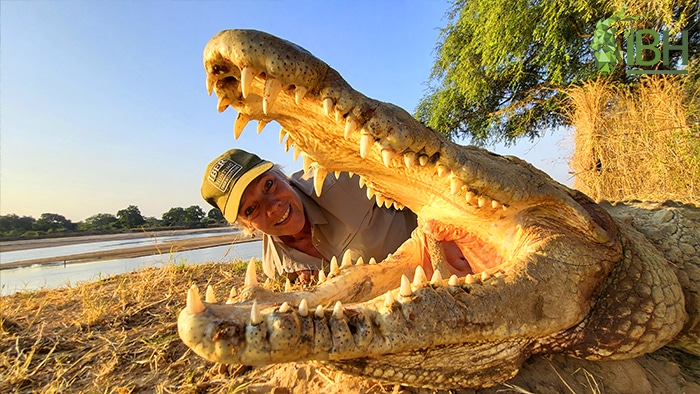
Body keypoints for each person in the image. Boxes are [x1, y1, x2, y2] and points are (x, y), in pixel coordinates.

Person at [201, 149, 418, 284]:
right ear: (248, 226)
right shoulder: (276, 269)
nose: (273, 207)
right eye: (251, 209)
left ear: (282, 176)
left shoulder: (344, 178)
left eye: (269, 185)